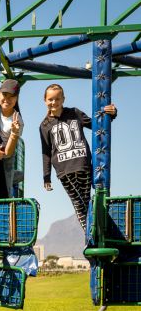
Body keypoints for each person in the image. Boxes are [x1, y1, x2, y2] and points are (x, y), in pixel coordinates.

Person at [40, 84, 117, 231]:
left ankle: (96, 233)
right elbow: (46, 152)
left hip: (83, 165)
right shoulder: (44, 126)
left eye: (57, 99)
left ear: (63, 99)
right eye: (50, 99)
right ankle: (91, 235)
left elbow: (97, 126)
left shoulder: (75, 113)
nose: (54, 102)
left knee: (85, 201)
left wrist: (111, 114)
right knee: (78, 203)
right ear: (45, 100)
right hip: (64, 171)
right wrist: (46, 177)